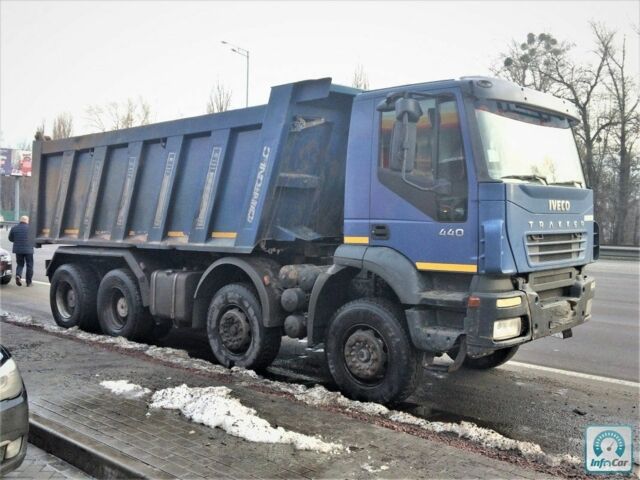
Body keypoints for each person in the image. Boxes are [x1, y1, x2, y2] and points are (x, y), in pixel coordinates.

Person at [8, 216, 34, 287]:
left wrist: (16, 241)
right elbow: (34, 239)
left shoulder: (14, 228)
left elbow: (10, 238)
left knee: (20, 264)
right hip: (29, 250)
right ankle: (29, 282)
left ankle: (18, 276)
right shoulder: (31, 229)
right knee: (29, 265)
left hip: (18, 250)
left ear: (20, 220)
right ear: (27, 221)